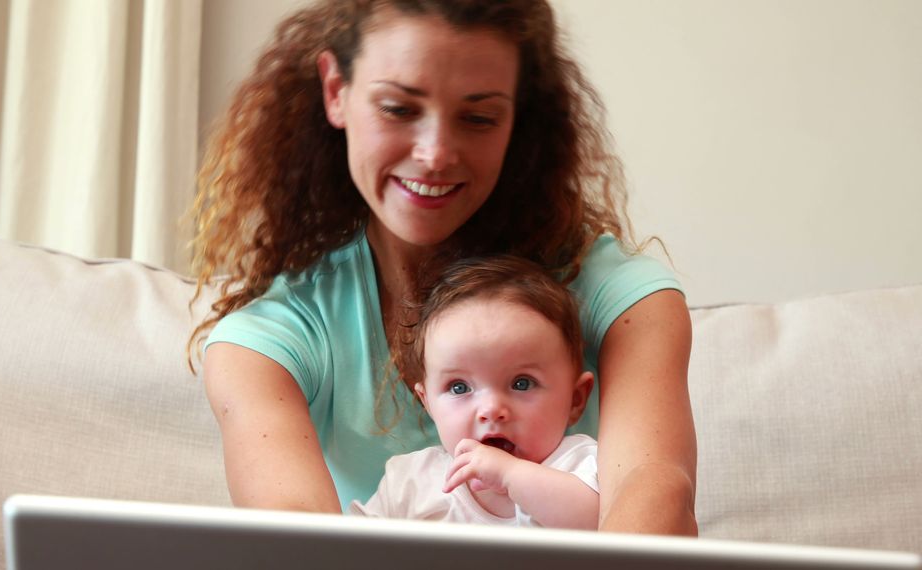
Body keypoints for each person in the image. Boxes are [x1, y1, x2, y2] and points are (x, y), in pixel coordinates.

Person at [189, 0, 697, 535]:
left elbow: (655, 493)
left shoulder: (628, 303)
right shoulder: (263, 346)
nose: (435, 154)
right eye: (398, 109)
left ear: (517, 118)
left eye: (478, 117)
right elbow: (298, 543)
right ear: (336, 91)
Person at [347, 256, 599, 529]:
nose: (490, 408)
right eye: (459, 387)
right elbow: (350, 546)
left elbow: (607, 527)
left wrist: (511, 474)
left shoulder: (581, 467)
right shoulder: (410, 481)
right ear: (427, 402)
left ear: (575, 399)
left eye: (522, 383)